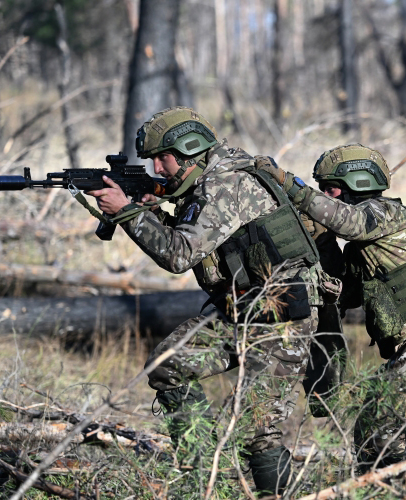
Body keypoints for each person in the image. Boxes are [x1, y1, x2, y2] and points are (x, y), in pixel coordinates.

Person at [86, 106, 327, 495]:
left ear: (189, 149)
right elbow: (196, 240)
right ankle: (201, 478)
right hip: (241, 308)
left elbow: (180, 255)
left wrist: (129, 213)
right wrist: (146, 211)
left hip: (282, 316)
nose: (157, 170)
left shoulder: (226, 183)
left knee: (257, 433)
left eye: (161, 159)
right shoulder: (204, 183)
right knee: (168, 366)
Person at [258, 144, 406, 470]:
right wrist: (319, 248)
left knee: (381, 430)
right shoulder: (365, 245)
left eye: (330, 188)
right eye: (322, 190)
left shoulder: (383, 213)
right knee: (398, 433)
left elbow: (346, 221)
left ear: (357, 183)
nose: (326, 196)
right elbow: (345, 296)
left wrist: (288, 184)